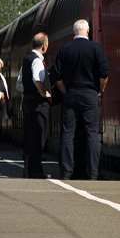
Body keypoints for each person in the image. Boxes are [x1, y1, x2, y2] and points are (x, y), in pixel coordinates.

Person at [49, 19, 109, 180]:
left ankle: (67, 172)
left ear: (74, 31)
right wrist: (100, 90)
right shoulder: (95, 48)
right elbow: (104, 73)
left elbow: (56, 75)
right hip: (90, 94)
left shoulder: (65, 49)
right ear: (87, 31)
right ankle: (93, 173)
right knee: (91, 134)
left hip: (71, 94)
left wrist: (66, 89)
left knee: (68, 133)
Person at [21, 32, 52, 179]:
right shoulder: (37, 60)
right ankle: (35, 170)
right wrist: (43, 92)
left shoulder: (27, 59)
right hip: (37, 103)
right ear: (44, 46)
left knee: (30, 136)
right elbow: (37, 78)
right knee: (38, 136)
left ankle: (28, 169)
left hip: (27, 101)